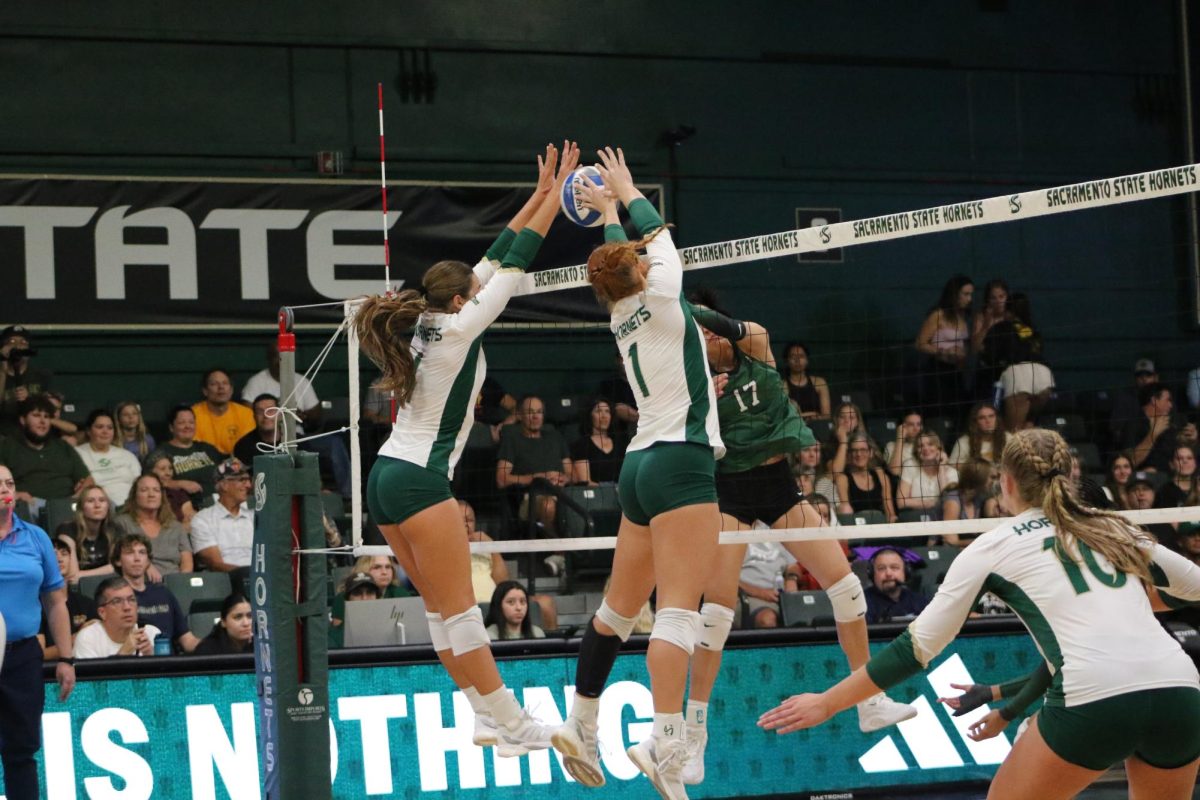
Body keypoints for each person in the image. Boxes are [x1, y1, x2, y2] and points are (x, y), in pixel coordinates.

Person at [759, 428, 1200, 800]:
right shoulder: (1111, 526)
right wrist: (1139, 601)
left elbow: (915, 649)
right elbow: (1194, 588)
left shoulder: (993, 545)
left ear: (1005, 483)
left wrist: (828, 702)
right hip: (1180, 690)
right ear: (1067, 477)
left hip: (1093, 697)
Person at [353, 141, 577, 756]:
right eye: (470, 293)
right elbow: (518, 262)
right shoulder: (460, 326)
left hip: (386, 478)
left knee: (438, 612)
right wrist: (555, 204)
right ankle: (516, 720)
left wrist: (538, 194)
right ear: (462, 301)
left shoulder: (431, 316)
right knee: (460, 612)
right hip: (421, 481)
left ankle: (483, 716)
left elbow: (499, 251)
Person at [671, 292, 914, 782]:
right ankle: (693, 736)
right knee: (715, 616)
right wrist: (701, 399)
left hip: (779, 487)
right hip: (728, 496)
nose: (711, 338)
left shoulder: (756, 345)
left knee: (847, 587)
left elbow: (732, 326)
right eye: (702, 335)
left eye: (714, 330)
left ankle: (869, 701)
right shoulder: (688, 379)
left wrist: (674, 297)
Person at [550, 147, 726, 798]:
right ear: (643, 270)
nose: (649, 258)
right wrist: (625, 191)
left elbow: (625, 257)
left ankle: (580, 722)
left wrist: (602, 216)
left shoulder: (622, 308)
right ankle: (664, 743)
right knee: (679, 614)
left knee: (618, 613)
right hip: (680, 464)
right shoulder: (668, 294)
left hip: (638, 467)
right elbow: (658, 237)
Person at [0, 463, 75, 800]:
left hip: (22, 656)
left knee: (21, 750)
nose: (5, 490)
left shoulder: (35, 537)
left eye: (10, 483)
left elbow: (56, 602)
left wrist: (67, 658)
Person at [241, 349, 353, 498]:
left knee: (333, 442)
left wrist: (301, 414)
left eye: (284, 357)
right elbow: (247, 413)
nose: (281, 361)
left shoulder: (301, 380)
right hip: (263, 440)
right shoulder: (257, 382)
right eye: (277, 356)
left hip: (300, 436)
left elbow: (316, 416)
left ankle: (348, 496)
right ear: (269, 358)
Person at [495, 394, 573, 574]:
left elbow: (571, 473)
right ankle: (562, 553)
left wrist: (564, 478)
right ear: (520, 416)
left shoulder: (554, 436)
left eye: (539, 412)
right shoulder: (512, 439)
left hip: (563, 494)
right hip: (530, 498)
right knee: (547, 505)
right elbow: (501, 478)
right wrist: (536, 478)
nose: (536, 416)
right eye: (530, 412)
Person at [0, 395, 92, 515]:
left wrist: (78, 495)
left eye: (47, 417)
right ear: (23, 420)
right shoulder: (7, 446)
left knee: (106, 504)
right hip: (28, 505)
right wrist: (14, 495)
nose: (43, 421)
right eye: (36, 415)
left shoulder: (63, 446)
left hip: (67, 502)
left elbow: (88, 480)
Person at [111, 532, 199, 653]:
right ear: (118, 561)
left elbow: (187, 640)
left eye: (142, 553)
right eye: (130, 553)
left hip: (170, 667)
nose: (137, 559)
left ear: (148, 561)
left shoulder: (163, 593)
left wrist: (212, 645)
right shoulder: (115, 597)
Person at [989, 292, 1054, 430]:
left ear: (1008, 311)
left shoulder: (1002, 327)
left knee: (1015, 432)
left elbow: (986, 353)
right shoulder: (1034, 331)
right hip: (1044, 376)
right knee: (1028, 426)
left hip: (1018, 374)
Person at [112, 473, 193, 578]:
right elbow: (116, 557)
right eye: (144, 490)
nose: (151, 495)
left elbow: (187, 564)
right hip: (138, 582)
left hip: (175, 584)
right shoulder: (122, 523)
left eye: (156, 490)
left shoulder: (176, 527)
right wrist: (147, 565)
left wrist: (181, 583)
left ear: (162, 496)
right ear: (134, 496)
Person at [915, 275, 973, 420]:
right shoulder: (938, 315)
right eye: (965, 294)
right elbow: (920, 343)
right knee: (939, 411)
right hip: (938, 370)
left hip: (957, 370)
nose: (969, 299)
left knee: (959, 411)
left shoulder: (964, 317)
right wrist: (943, 351)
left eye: (971, 295)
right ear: (954, 295)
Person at [189, 457, 254, 573]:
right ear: (224, 485)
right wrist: (249, 575)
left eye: (248, 480)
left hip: (261, 580)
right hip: (225, 582)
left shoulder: (255, 517)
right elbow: (216, 564)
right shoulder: (203, 520)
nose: (248, 485)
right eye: (242, 480)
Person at [153, 404, 223, 509]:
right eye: (181, 423)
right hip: (188, 508)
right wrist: (178, 483)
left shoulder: (207, 448)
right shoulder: (162, 452)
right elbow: (151, 482)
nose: (187, 426)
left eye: (191, 422)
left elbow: (227, 470)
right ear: (171, 427)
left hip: (220, 502)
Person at [38, 534, 97, 659]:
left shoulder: (87, 603)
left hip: (86, 669)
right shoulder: (34, 605)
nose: (59, 559)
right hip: (50, 673)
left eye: (64, 553)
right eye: (53, 554)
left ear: (71, 560)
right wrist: (80, 636)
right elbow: (39, 655)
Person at [74, 576, 161, 659]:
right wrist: (123, 653)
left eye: (131, 600)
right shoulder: (88, 638)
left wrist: (150, 656)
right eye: (117, 602)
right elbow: (91, 674)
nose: (127, 607)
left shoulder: (152, 634)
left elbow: (167, 673)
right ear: (102, 613)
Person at [74, 409, 141, 506]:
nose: (105, 431)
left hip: (131, 507)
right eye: (100, 427)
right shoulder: (77, 454)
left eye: (110, 428)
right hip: (97, 506)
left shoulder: (127, 455)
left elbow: (139, 485)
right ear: (89, 431)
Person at [330, 554, 412, 631]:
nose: (384, 572)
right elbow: (338, 635)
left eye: (388, 567)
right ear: (363, 569)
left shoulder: (400, 594)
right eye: (377, 567)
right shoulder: (343, 597)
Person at [55, 484, 116, 579]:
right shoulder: (67, 530)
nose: (97, 505)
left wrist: (81, 574)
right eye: (90, 501)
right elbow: (71, 575)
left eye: (102, 500)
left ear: (108, 506)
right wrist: (107, 570)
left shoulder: (113, 529)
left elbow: (119, 567)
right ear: (81, 508)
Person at [191, 369, 255, 456]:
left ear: (231, 390)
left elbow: (247, 448)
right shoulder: (193, 414)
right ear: (205, 391)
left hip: (237, 464)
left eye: (225, 383)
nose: (221, 387)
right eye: (214, 384)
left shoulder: (246, 414)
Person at [835, 432, 897, 522]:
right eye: (854, 450)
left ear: (871, 453)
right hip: (857, 527)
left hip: (880, 525)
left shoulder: (880, 476)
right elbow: (846, 514)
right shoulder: (843, 479)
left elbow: (890, 512)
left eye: (863, 450)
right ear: (849, 454)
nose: (859, 454)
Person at [1121, 383, 1182, 472]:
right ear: (1154, 400)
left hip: (1168, 477)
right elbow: (1130, 462)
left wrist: (1191, 441)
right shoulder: (1133, 425)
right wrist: (1153, 435)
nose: (1171, 405)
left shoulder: (1169, 426)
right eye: (1168, 400)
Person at [896, 430, 958, 517]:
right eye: (920, 446)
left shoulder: (952, 472)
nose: (925, 448)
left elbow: (947, 501)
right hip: (916, 517)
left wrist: (941, 467)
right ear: (916, 451)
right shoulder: (910, 466)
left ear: (939, 448)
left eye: (930, 444)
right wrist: (931, 503)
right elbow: (901, 502)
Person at [0, 326, 52, 428]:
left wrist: (30, 400)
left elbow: (50, 410)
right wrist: (3, 370)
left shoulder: (41, 375)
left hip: (32, 432)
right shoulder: (1, 374)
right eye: (12, 341)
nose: (17, 346)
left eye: (23, 342)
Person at [939, 458, 997, 546]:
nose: (994, 481)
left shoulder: (980, 497)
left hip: (970, 549)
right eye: (991, 477)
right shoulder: (953, 501)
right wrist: (984, 542)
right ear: (979, 478)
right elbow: (950, 542)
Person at [863, 546, 930, 623]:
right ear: (872, 574)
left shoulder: (920, 602)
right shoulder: (861, 605)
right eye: (881, 568)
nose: (888, 573)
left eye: (894, 567)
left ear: (906, 572)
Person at [570, 398, 627, 485]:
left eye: (607, 411)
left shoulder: (621, 444)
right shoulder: (581, 445)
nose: (604, 416)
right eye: (598, 411)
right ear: (590, 416)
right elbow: (585, 482)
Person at [971, 278, 1014, 395]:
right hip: (986, 370)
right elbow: (975, 348)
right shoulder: (981, 317)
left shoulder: (1012, 317)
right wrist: (986, 326)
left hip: (1008, 370)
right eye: (993, 298)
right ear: (988, 300)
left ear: (1007, 297)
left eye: (1001, 296)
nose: (998, 301)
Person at [1110, 359, 1161, 442]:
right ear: (1135, 379)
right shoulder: (1125, 399)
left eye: (1148, 375)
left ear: (1156, 378)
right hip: (1134, 446)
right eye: (1139, 375)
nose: (1144, 379)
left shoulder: (1163, 398)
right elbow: (1117, 431)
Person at [948, 402, 1008, 469]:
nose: (988, 421)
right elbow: (952, 466)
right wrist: (979, 468)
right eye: (982, 418)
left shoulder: (1008, 438)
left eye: (991, 416)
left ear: (997, 419)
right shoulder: (963, 442)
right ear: (975, 422)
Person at [781, 342, 830, 421]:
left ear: (807, 360)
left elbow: (826, 415)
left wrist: (800, 415)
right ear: (787, 361)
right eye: (793, 356)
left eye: (801, 356)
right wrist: (812, 414)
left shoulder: (819, 382)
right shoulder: (782, 385)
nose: (797, 360)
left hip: (818, 426)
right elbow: (786, 417)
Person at [148, 453, 197, 527]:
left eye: (170, 468)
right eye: (162, 469)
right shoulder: (145, 495)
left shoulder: (178, 492)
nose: (168, 473)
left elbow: (189, 514)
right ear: (151, 472)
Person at [1155, 444, 1199, 509]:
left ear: (1195, 464)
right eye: (1179, 458)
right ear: (1172, 464)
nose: (1185, 461)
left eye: (1189, 458)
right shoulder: (1164, 491)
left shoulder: (1198, 487)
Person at [883, 411, 924, 478]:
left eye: (919, 424)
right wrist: (900, 439)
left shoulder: (927, 445)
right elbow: (895, 471)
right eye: (911, 424)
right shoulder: (891, 446)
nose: (916, 429)